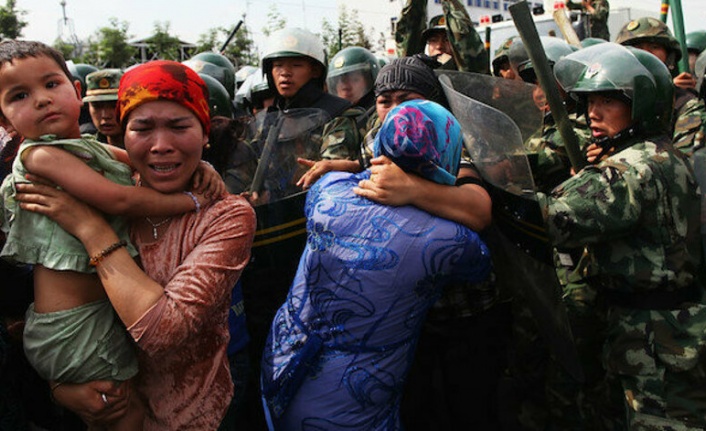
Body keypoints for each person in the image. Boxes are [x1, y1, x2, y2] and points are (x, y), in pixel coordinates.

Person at [14, 59, 256, 430]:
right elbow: (61, 306)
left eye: (180, 126)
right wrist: (61, 387)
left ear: (205, 132)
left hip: (194, 414)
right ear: (122, 135)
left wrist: (90, 229)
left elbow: (162, 332)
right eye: (142, 128)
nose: (161, 146)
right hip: (107, 398)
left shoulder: (224, 215)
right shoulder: (106, 188)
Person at [260, 99, 492, 430]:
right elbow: (479, 264)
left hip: (282, 358)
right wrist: (464, 175)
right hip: (354, 396)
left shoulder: (328, 189)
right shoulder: (449, 239)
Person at [543, 41, 706, 429]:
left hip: (657, 341)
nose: (593, 112)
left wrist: (466, 196)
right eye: (590, 100)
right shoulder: (655, 152)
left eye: (609, 101)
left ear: (644, 104)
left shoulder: (634, 168)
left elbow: (549, 218)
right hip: (653, 331)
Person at [617, 17, 706, 157]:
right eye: (637, 48)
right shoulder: (613, 102)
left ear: (669, 57)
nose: (645, 54)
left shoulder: (686, 104)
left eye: (654, 47)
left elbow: (685, 163)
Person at [395, 0, 489, 73]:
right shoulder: (420, 74)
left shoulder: (470, 75)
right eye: (433, 40)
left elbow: (464, 36)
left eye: (446, 40)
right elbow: (408, 32)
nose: (439, 46)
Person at [83, 68, 124, 148]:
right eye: (96, 106)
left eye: (114, 106)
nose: (105, 115)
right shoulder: (87, 150)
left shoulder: (149, 148)